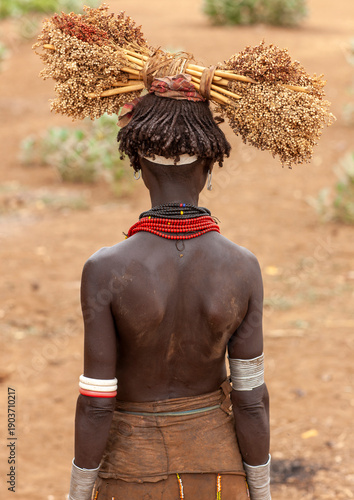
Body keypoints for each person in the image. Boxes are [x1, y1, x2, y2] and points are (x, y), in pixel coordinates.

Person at [68, 74, 271, 500]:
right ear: (209, 166)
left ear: (140, 166)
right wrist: (262, 493)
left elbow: (96, 402)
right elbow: (250, 399)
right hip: (220, 478)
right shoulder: (243, 267)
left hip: (130, 476)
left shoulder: (105, 269)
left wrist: (77, 494)